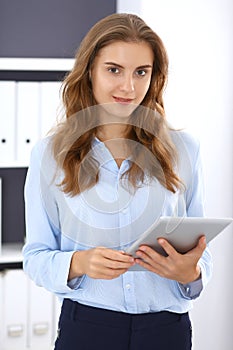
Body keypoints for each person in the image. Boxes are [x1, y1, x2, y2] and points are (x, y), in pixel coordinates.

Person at [23, 13, 212, 350]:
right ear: (90, 72)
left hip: (167, 330)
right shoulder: (50, 154)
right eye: (114, 70)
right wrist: (79, 262)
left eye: (142, 72)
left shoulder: (184, 149)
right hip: (88, 327)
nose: (129, 87)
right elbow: (35, 255)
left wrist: (190, 274)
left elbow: (200, 252)